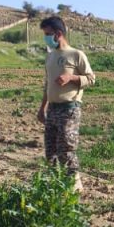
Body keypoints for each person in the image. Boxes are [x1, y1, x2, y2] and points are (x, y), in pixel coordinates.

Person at [37, 16, 95, 191]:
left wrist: (71, 77)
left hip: (69, 109)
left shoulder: (76, 55)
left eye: (48, 34)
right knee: (51, 151)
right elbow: (48, 84)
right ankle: (56, 185)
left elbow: (91, 79)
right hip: (53, 110)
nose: (46, 38)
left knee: (67, 149)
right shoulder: (50, 56)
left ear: (59, 33)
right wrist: (42, 108)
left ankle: (74, 185)